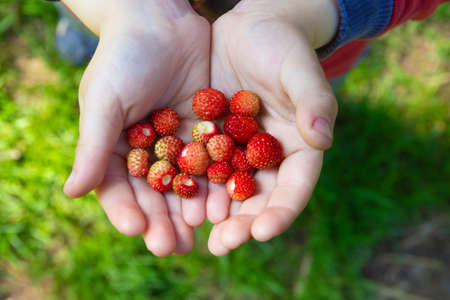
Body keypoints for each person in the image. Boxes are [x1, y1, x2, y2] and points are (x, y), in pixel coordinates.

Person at [50, 0, 448, 257]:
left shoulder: (228, 129)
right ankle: (88, 33)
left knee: (306, 90)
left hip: (304, 46)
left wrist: (304, 12)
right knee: (90, 34)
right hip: (130, 24)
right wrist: (121, 14)